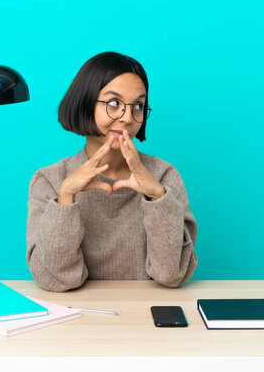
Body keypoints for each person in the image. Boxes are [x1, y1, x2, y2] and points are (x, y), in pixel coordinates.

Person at [26, 52, 197, 292]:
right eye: (114, 103)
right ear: (85, 102)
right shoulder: (50, 180)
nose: (127, 118)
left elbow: (170, 274)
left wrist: (158, 198)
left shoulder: (164, 176)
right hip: (76, 319)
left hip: (147, 317)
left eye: (138, 106)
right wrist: (65, 198)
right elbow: (57, 279)